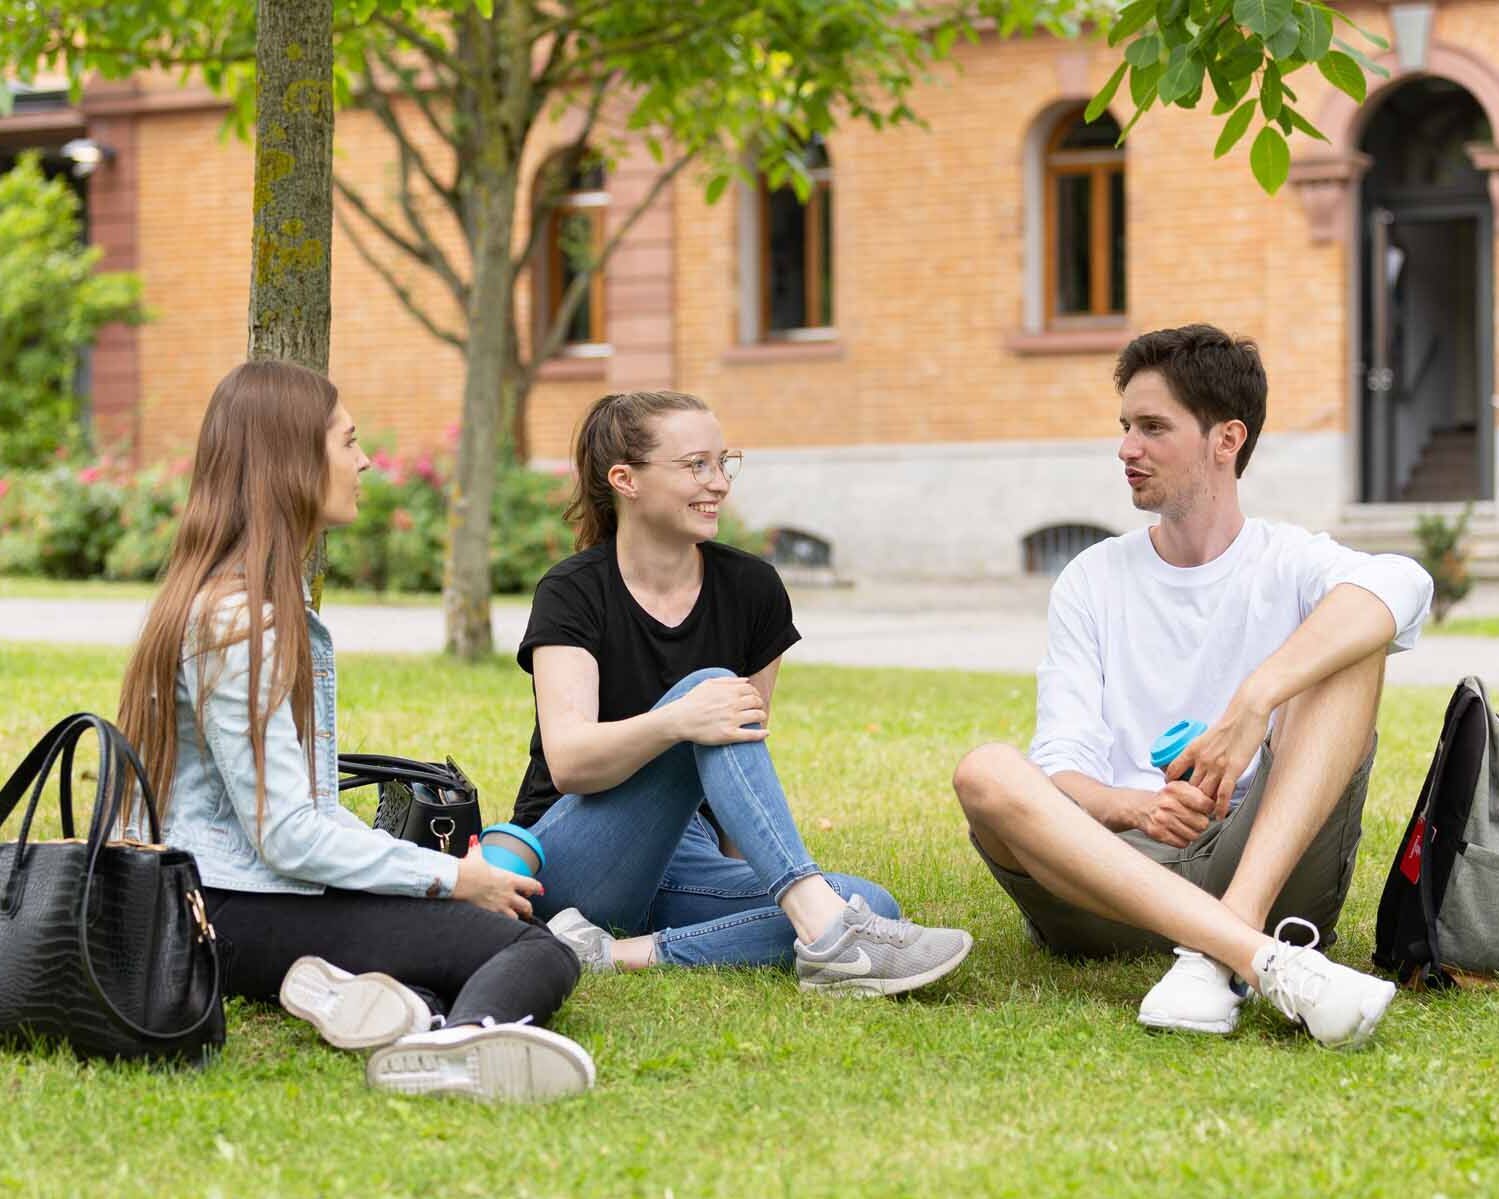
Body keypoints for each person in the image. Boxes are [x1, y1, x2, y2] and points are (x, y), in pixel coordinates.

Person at [117, 361, 593, 1101]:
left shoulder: (223, 601)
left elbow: (299, 814)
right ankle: (457, 1045)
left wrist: (430, 879)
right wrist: (453, 878)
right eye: (347, 441)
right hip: (228, 908)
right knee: (537, 950)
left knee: (446, 944)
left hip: (219, 901)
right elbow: (288, 837)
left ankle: (382, 1005)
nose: (365, 461)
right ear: (291, 462)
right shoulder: (242, 624)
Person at [952, 325, 1433, 1048]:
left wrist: (1254, 700)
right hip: (1112, 880)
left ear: (1225, 439)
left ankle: (1225, 940)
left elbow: (1404, 584)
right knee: (984, 771)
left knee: (1355, 646)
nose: (1126, 448)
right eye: (1125, 427)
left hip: (1264, 864)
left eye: (1152, 428)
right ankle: (1252, 956)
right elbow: (1058, 763)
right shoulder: (1091, 578)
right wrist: (1134, 807)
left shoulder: (1289, 560)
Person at [512, 389, 972, 995]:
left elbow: (742, 751)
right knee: (712, 692)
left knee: (869, 901)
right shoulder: (572, 591)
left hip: (689, 853)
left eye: (723, 462)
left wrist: (749, 876)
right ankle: (825, 930)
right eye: (695, 465)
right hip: (577, 856)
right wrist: (678, 721)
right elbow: (570, 763)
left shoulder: (752, 589)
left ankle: (618, 953)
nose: (719, 483)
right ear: (626, 480)